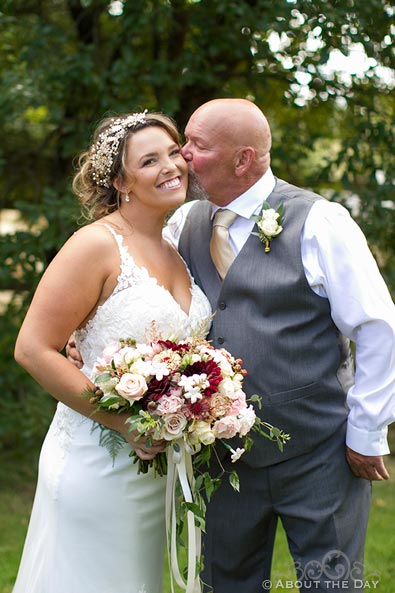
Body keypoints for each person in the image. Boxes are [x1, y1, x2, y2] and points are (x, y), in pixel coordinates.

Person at [67, 99, 395, 593]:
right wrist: (84, 333)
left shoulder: (321, 222)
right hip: (220, 457)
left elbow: (378, 328)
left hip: (317, 452)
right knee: (225, 584)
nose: (182, 158)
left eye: (195, 146)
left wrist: (366, 432)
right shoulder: (182, 223)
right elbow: (130, 282)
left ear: (243, 160)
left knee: (332, 585)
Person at [13, 110, 211, 593]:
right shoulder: (95, 245)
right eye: (149, 160)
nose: (170, 166)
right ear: (121, 180)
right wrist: (124, 422)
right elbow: (33, 349)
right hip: (95, 460)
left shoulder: (176, 244)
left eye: (172, 152)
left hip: (156, 467)